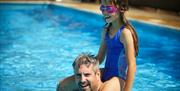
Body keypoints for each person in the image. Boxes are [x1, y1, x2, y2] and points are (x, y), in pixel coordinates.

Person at [96, 0, 138, 90]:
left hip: (119, 79)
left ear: (121, 8)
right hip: (106, 73)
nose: (105, 12)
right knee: (65, 84)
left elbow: (132, 65)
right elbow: (100, 58)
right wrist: (86, 66)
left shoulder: (125, 33)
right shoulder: (106, 30)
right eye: (102, 8)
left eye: (109, 8)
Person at [57, 53, 121, 91]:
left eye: (87, 75)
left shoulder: (110, 87)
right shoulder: (67, 86)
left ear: (98, 75)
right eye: (78, 75)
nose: (82, 80)